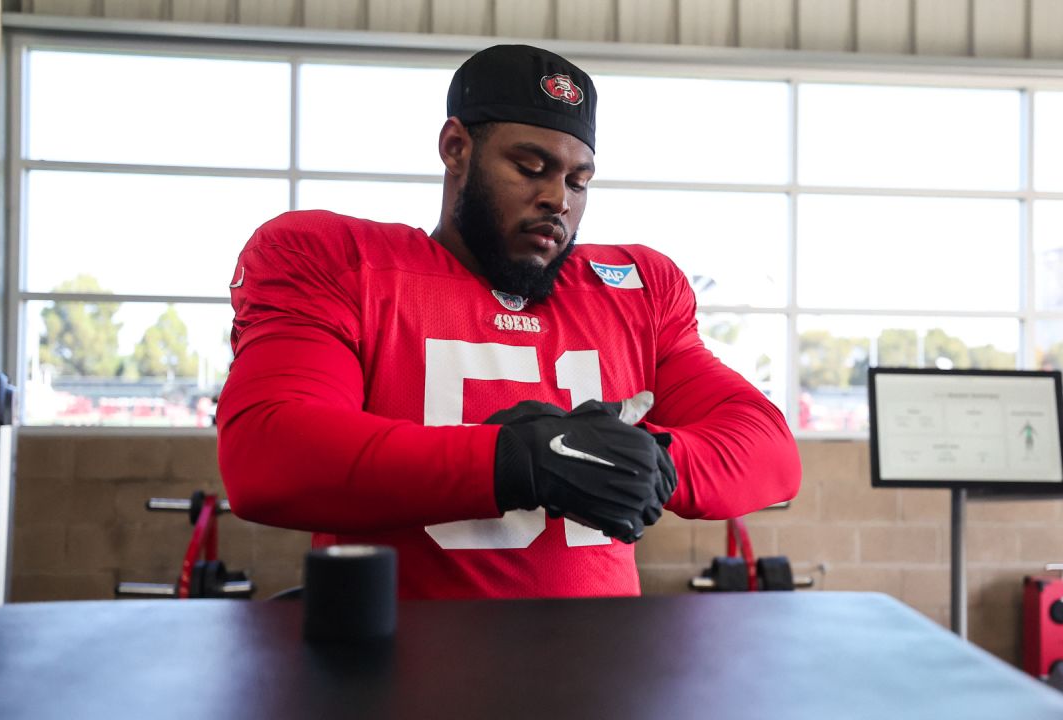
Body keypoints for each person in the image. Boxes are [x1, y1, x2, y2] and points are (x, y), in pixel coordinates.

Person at [217, 44, 801, 600]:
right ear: (455, 147)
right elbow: (270, 453)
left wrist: (651, 460)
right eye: (530, 166)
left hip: (598, 677)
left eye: (578, 181)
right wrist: (520, 461)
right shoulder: (336, 258)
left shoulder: (637, 289)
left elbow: (769, 449)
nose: (557, 198)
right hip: (404, 677)